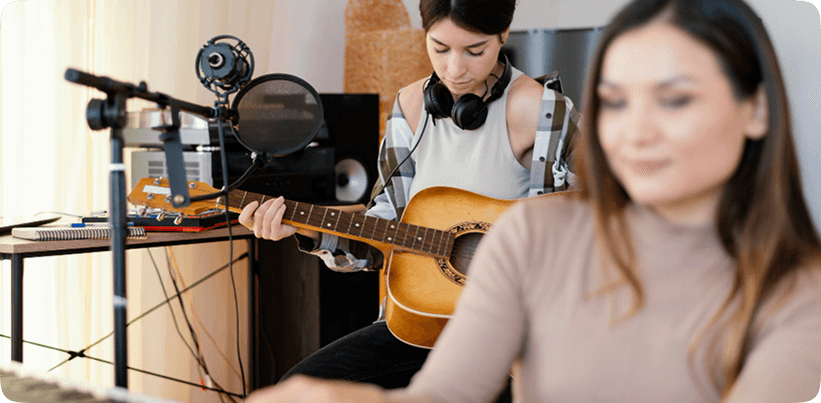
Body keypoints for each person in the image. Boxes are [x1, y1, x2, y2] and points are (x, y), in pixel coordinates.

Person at [244, 0, 821, 402]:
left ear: (756, 110)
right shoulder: (527, 236)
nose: (634, 132)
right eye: (616, 102)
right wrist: (304, 229)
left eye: (674, 100)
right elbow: (442, 390)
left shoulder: (793, 295)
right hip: (427, 321)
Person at [238, 0, 580, 399]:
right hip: (419, 325)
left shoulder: (543, 110)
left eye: (475, 51)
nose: (454, 69)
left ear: (503, 36)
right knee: (294, 392)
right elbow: (380, 241)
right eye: (439, 48)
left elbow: (580, 234)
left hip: (510, 340)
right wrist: (308, 232)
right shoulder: (411, 107)